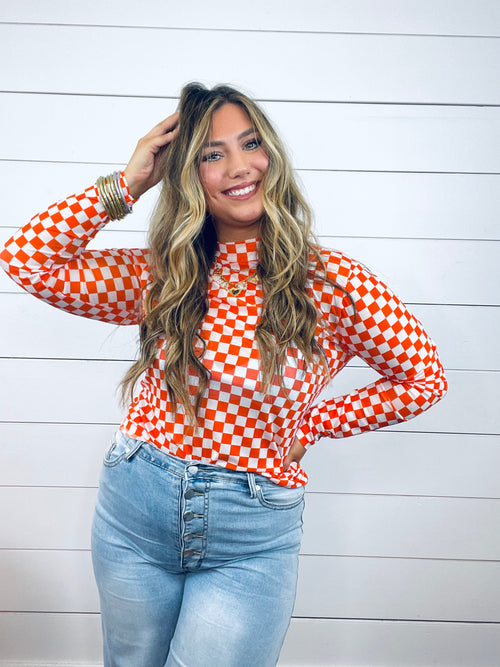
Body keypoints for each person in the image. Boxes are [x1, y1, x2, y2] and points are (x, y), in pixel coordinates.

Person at [0, 83, 447, 667]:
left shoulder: (334, 281)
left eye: (251, 144)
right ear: (188, 175)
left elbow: (422, 377)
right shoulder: (164, 274)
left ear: (272, 155)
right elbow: (28, 259)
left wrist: (310, 423)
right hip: (137, 506)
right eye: (212, 154)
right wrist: (129, 183)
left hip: (251, 533)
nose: (240, 167)